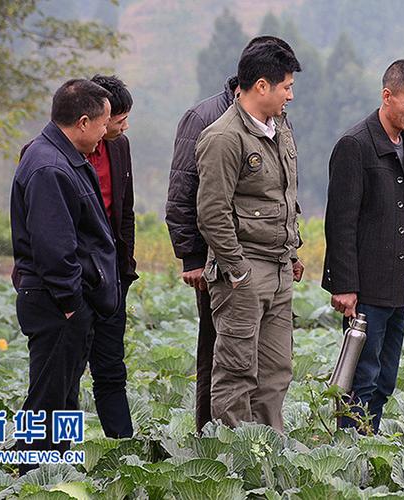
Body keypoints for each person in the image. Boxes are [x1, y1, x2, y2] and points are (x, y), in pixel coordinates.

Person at [166, 36, 304, 432]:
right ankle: (233, 458)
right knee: (236, 370)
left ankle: (268, 453)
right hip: (243, 271)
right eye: (287, 86)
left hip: (278, 269)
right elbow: (211, 212)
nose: (290, 95)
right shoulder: (223, 136)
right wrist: (237, 270)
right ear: (262, 85)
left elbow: (284, 194)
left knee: (275, 371)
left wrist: (291, 251)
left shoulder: (280, 128)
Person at [10, 79, 119, 473]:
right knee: (47, 400)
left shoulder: (63, 157)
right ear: (84, 121)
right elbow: (55, 248)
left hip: (67, 306)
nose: (107, 132)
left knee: (61, 398)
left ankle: (52, 475)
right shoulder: (49, 168)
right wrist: (72, 304)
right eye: (104, 123)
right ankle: (33, 481)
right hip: (57, 306)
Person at [322, 60, 404, 434]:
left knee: (384, 381)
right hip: (366, 287)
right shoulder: (355, 145)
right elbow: (340, 222)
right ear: (387, 96)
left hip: (398, 284)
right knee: (360, 380)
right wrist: (344, 285)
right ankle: (350, 457)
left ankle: (370, 448)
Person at [86, 74, 137, 438]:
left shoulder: (119, 148)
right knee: (58, 376)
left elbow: (126, 211)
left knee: (111, 368)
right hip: (71, 280)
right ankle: (40, 460)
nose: (123, 126)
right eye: (118, 120)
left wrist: (126, 270)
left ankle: (122, 446)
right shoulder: (50, 155)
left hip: (112, 277)